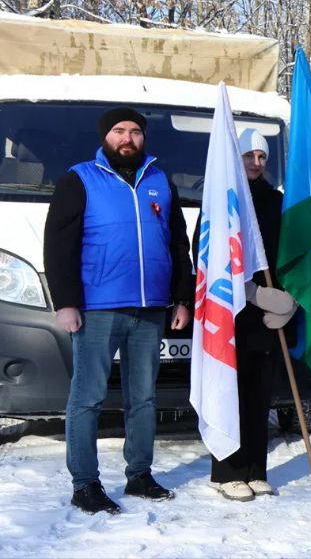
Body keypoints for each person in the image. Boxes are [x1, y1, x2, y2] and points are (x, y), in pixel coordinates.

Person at [43, 107, 194, 514]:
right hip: (96, 309)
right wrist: (66, 302)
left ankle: (139, 475)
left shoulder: (159, 181)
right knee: (88, 398)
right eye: (119, 131)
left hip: (150, 309)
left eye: (135, 132)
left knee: (143, 397)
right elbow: (58, 246)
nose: (128, 138)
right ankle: (85, 483)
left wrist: (182, 297)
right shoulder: (80, 179)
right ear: (105, 136)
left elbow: (178, 243)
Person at [203, 128, 299, 501]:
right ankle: (226, 471)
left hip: (267, 314)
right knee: (231, 392)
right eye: (248, 157)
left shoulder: (276, 201)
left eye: (261, 157)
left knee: (260, 395)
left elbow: (287, 254)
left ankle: (255, 468)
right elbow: (210, 255)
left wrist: (286, 298)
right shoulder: (222, 199)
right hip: (232, 312)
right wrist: (249, 292)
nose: (256, 163)